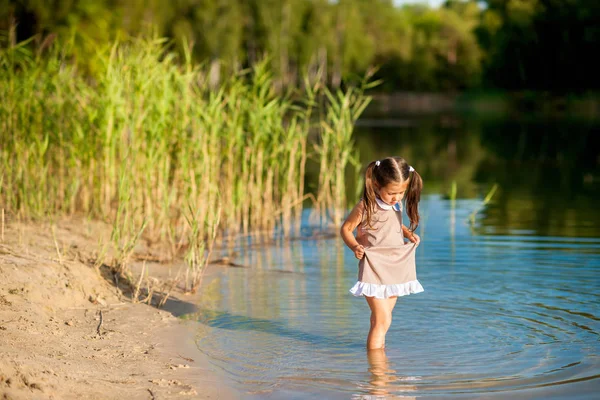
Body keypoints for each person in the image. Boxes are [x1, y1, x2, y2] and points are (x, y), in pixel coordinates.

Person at [340, 156, 424, 350]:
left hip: (396, 264)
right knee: (382, 319)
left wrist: (407, 233)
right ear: (377, 184)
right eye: (392, 193)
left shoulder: (396, 204)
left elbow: (392, 223)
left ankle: (377, 361)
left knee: (384, 320)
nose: (397, 197)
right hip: (374, 266)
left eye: (401, 192)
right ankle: (378, 371)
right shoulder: (365, 206)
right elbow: (346, 229)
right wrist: (355, 246)